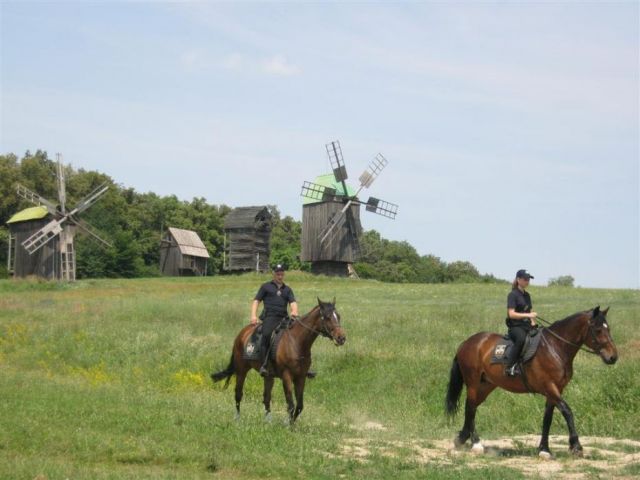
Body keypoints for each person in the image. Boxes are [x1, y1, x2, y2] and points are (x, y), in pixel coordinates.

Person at [251, 264, 299, 377]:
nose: (280, 276)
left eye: (282, 274)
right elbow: (256, 301)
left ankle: (300, 364)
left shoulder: (287, 289)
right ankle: (263, 365)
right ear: (274, 274)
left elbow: (293, 303)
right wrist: (253, 315)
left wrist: (294, 311)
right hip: (270, 317)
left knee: (298, 334)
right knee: (266, 334)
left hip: (284, 318)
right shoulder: (265, 287)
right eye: (278, 274)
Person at [504, 269, 538, 376]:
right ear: (518, 280)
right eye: (525, 279)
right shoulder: (512, 295)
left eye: (528, 279)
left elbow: (530, 311)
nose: (527, 281)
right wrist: (528, 315)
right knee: (521, 339)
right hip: (515, 327)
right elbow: (511, 314)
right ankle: (509, 367)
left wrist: (533, 322)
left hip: (527, 325)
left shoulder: (527, 295)